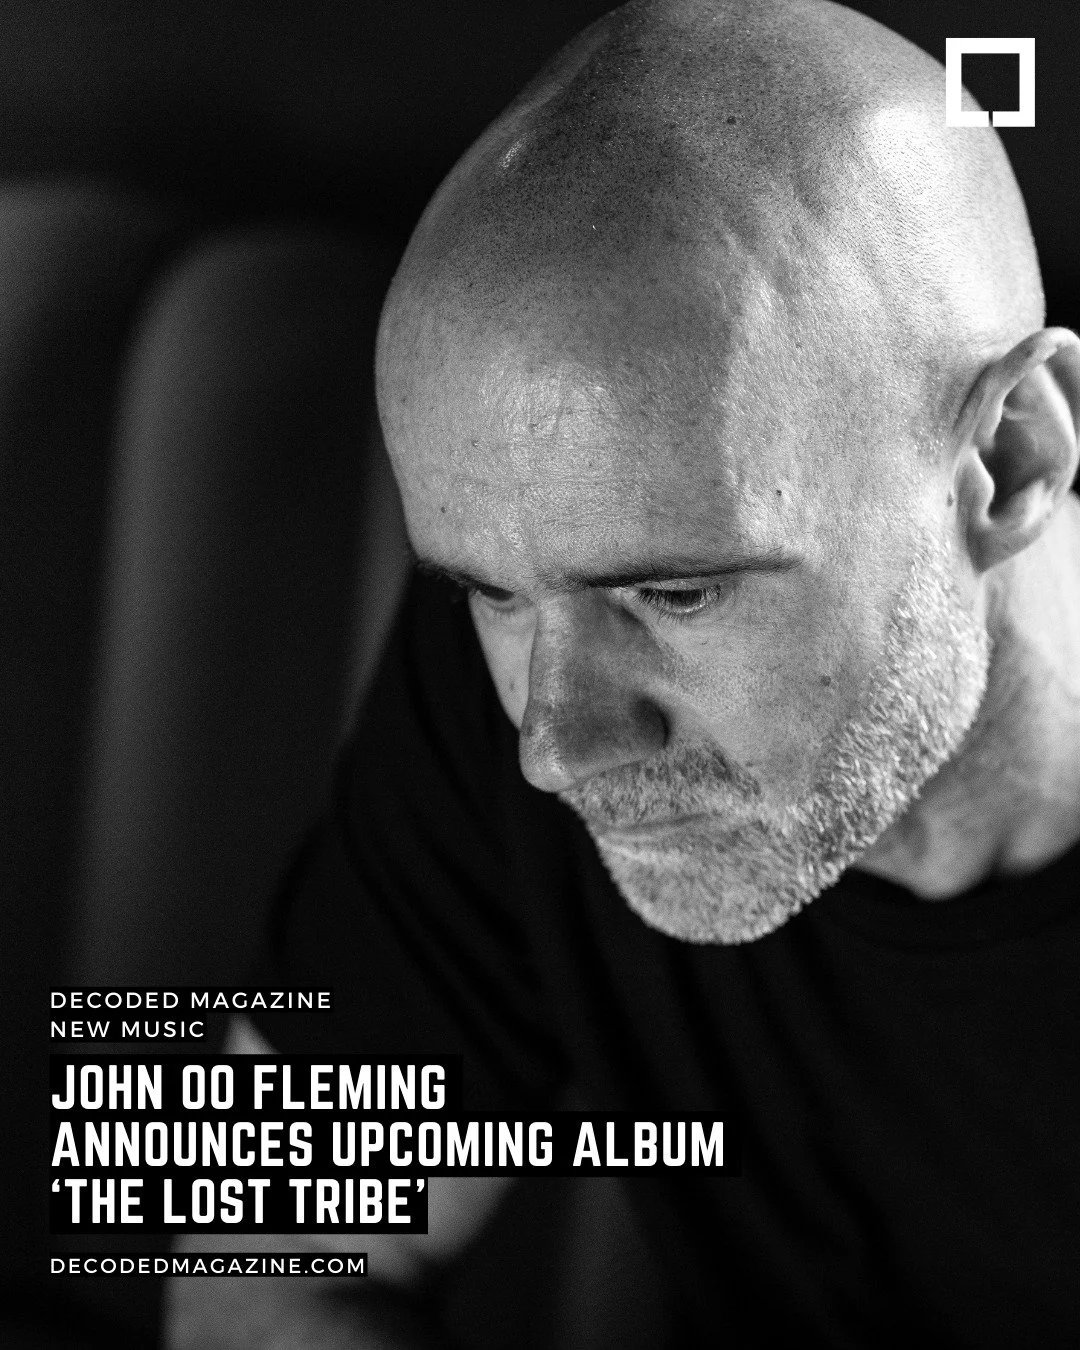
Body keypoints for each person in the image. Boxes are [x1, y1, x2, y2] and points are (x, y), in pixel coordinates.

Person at [167, 0, 1080, 1344]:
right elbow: (264, 1253)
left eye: (679, 593)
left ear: (1006, 463)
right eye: (489, 593)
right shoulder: (548, 641)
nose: (557, 746)